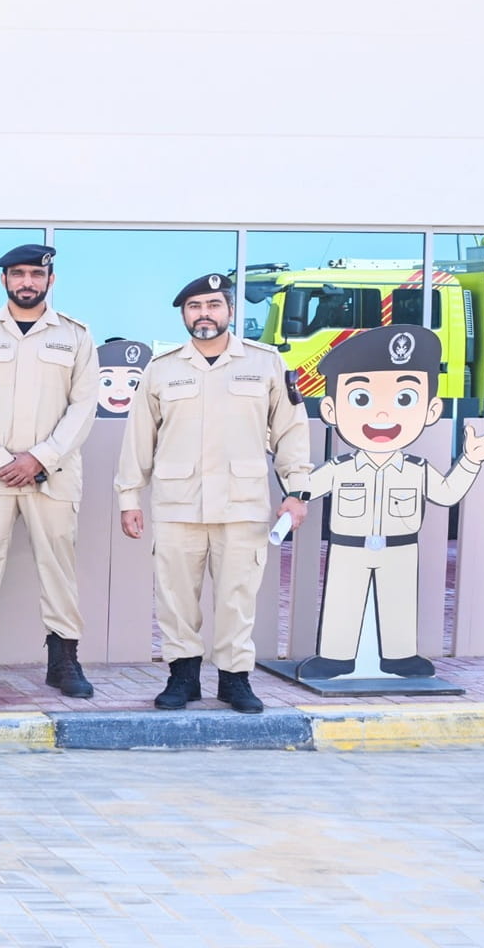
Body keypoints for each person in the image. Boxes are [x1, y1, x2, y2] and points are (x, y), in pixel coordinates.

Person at [115, 275, 312, 714]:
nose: (203, 313)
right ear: (184, 315)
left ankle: (234, 680)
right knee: (176, 598)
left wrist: (297, 491)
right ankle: (182, 679)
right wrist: (129, 497)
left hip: (242, 505)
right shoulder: (161, 369)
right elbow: (138, 440)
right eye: (194, 307)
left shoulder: (266, 364)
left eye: (212, 305)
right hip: (177, 505)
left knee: (236, 598)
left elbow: (291, 432)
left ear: (229, 311)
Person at [297, 326, 484, 681]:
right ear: (332, 410)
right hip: (349, 548)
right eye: (362, 399)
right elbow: (303, 488)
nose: (382, 415)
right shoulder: (339, 468)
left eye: (405, 399)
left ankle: (399, 657)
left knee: (399, 603)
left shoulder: (417, 469)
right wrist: (275, 451)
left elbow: (446, 494)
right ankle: (335, 657)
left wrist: (471, 460)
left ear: (431, 409)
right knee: (342, 602)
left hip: (400, 548)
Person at [0, 245, 99, 699]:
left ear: (51, 280)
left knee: (59, 569)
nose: (26, 282)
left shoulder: (75, 336)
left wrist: (39, 458)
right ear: (4, 281)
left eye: (36, 274)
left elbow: (83, 406)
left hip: (52, 474)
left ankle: (64, 660)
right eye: (18, 274)